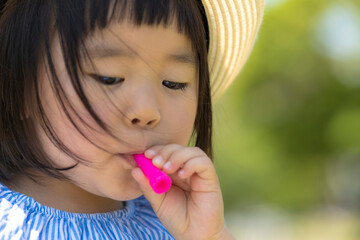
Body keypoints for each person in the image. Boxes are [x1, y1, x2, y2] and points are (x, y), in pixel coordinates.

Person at [0, 0, 264, 239]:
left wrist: (210, 236)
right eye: (109, 78)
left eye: (173, 82)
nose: (147, 111)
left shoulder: (175, 223)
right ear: (16, 88)